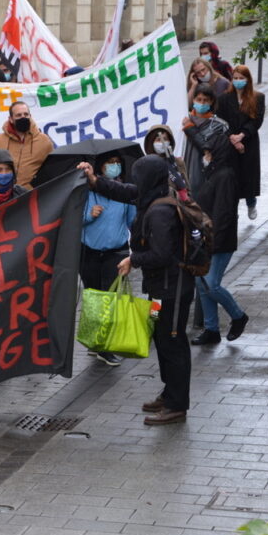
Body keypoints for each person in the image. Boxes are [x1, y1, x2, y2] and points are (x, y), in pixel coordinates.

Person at [79, 156, 194, 425]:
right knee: (162, 340)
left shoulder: (160, 211)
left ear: (149, 178)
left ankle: (178, 405)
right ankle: (169, 393)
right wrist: (95, 181)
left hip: (172, 291)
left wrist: (133, 260)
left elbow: (162, 254)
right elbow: (124, 191)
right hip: (159, 289)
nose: (135, 181)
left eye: (138, 175)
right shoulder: (153, 196)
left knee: (174, 343)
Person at [186, 103, 249, 346]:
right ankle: (212, 330)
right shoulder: (215, 173)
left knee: (211, 284)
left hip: (219, 241)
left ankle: (238, 315)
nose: (206, 155)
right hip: (209, 239)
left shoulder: (224, 176)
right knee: (203, 284)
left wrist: (212, 241)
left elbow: (223, 215)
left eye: (209, 152)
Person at [80, 154, 136, 367]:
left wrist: (136, 253)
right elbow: (71, 218)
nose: (115, 166)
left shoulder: (126, 191)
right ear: (99, 168)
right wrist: (88, 215)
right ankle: (95, 343)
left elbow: (133, 222)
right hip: (89, 252)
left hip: (117, 253)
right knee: (93, 298)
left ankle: (107, 347)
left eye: (117, 162)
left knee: (110, 300)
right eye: (109, 163)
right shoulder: (85, 191)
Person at [216, 65, 265, 219]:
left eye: (241, 78)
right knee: (233, 178)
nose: (238, 81)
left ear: (247, 80)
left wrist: (242, 135)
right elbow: (221, 120)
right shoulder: (224, 98)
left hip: (249, 143)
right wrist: (232, 137)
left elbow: (256, 120)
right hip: (230, 144)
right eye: (235, 78)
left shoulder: (257, 97)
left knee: (248, 176)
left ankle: (251, 204)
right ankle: (233, 210)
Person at [0, 101, 54, 190]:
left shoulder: (44, 141)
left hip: (32, 196)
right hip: (4, 196)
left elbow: (54, 167)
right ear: (11, 119)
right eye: (18, 115)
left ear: (30, 116)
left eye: (26, 114)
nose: (23, 117)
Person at [182, 83, 232, 194]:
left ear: (211, 101)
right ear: (193, 99)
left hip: (206, 178)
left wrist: (190, 128)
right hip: (184, 176)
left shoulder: (220, 125)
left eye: (206, 100)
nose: (202, 103)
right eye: (199, 99)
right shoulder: (184, 120)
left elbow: (210, 147)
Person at [143, 125, 189, 200]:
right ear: (151, 142)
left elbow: (187, 187)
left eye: (165, 139)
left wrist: (184, 196)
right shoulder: (147, 165)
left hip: (181, 206)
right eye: (158, 140)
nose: (162, 143)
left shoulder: (177, 162)